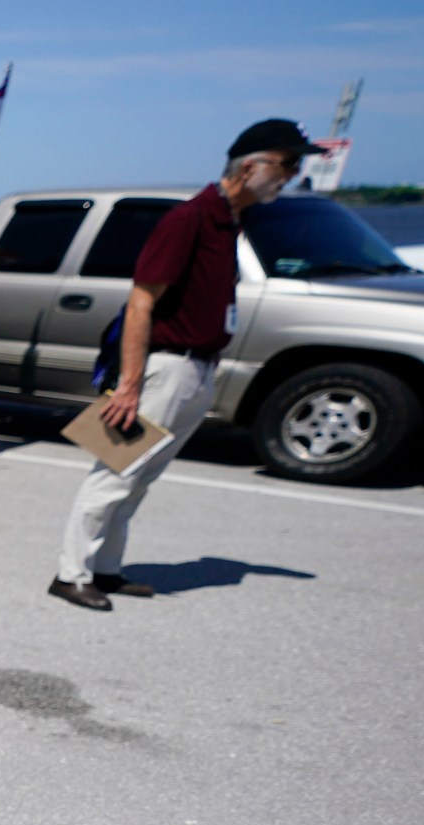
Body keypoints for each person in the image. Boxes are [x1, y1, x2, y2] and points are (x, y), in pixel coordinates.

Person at [49, 118, 319, 612]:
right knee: (114, 472)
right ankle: (71, 574)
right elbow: (140, 302)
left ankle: (106, 568)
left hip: (197, 369)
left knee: (142, 478)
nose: (292, 175)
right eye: (287, 164)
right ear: (251, 165)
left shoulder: (228, 220)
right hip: (163, 371)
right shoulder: (189, 219)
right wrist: (129, 385)